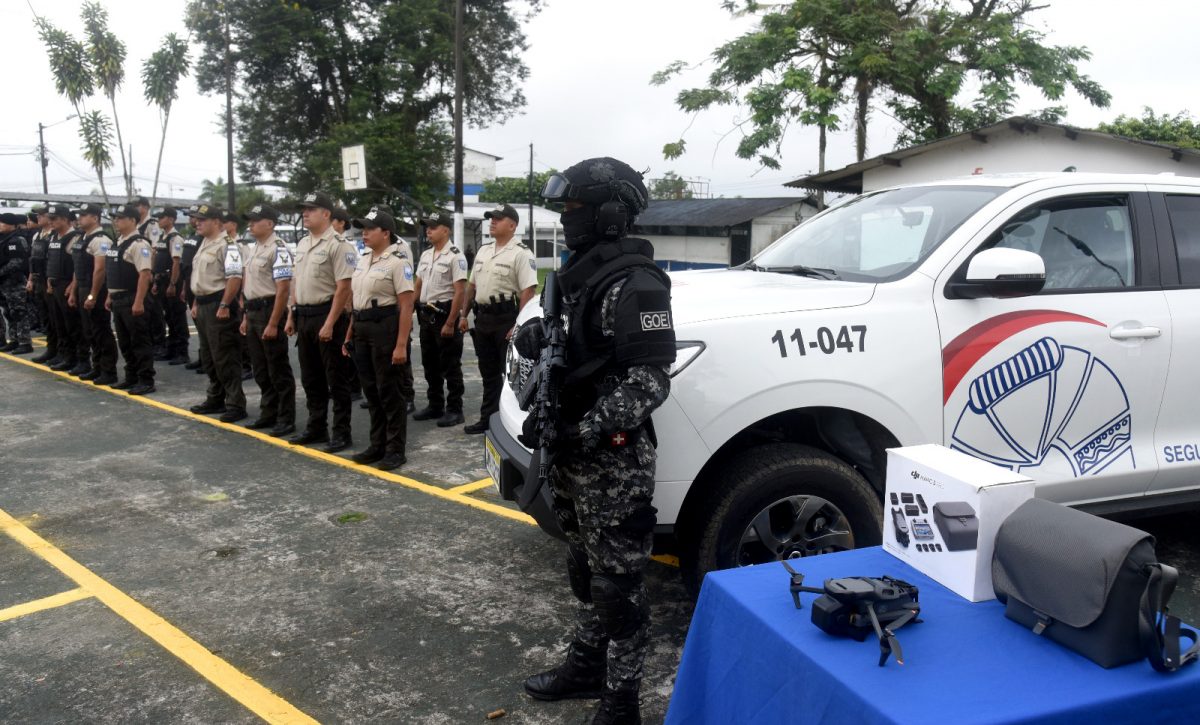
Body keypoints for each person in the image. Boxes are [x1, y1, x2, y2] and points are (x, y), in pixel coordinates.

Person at [517, 157, 675, 725]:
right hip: (571, 450)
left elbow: (651, 379)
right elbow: (577, 349)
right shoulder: (581, 274)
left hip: (611, 457)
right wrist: (540, 335)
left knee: (618, 586)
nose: (567, 221)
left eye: (576, 209)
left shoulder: (638, 283)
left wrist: (584, 430)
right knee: (585, 568)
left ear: (611, 214)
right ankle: (586, 665)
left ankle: (622, 698)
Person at [286, 191, 357, 452]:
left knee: (335, 379)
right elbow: (297, 281)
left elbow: (344, 288)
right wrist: (292, 313)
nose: (305, 213)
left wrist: (329, 323)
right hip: (304, 315)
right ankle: (316, 427)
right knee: (310, 377)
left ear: (326, 213)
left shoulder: (339, 245)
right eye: (304, 209)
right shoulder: (303, 243)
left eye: (311, 209)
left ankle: (341, 432)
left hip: (327, 316)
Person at [458, 202, 538, 434]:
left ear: (512, 225)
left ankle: (511, 422)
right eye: (491, 218)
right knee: (488, 374)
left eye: (498, 218)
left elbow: (528, 290)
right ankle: (488, 419)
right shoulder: (483, 250)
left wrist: (518, 325)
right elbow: (471, 286)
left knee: (511, 376)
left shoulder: (521, 253)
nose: (492, 221)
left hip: (505, 320)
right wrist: (464, 315)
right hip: (483, 319)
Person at [344, 208, 414, 470]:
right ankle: (378, 444)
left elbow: (406, 307)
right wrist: (350, 332)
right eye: (363, 228)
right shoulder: (363, 260)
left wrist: (400, 345)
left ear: (386, 233)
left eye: (370, 228)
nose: (364, 233)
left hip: (385, 327)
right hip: (362, 327)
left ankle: (395, 449)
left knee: (389, 391)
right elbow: (357, 302)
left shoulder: (398, 262)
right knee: (371, 390)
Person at [240, 203, 297, 437]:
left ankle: (286, 418)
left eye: (256, 220)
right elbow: (249, 286)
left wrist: (274, 323)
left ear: (270, 223)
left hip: (269, 310)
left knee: (277, 368)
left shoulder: (279, 248)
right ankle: (269, 412)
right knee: (260, 369)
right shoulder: (253, 248)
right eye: (250, 220)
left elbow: (282, 289)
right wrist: (245, 316)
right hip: (253, 311)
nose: (250, 224)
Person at [187, 203, 247, 422]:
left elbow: (234, 278)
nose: (197, 222)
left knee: (225, 356)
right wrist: (195, 302)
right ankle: (215, 397)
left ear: (216, 221)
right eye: (196, 219)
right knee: (209, 356)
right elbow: (199, 277)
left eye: (201, 220)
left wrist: (224, 304)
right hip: (203, 303)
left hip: (218, 305)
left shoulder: (228, 245)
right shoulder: (204, 243)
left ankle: (235, 403)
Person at [413, 210, 467, 427]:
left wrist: (451, 322)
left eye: (433, 226)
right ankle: (435, 405)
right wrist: (408, 310)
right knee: (430, 363)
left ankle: (455, 409)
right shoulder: (426, 255)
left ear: (446, 229)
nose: (428, 230)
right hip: (426, 314)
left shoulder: (455, 256)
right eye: (427, 226)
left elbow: (460, 291)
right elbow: (418, 285)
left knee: (450, 364)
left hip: (445, 313)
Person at [105, 204, 157, 395]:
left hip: (131, 299)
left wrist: (139, 301)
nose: (116, 221)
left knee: (139, 342)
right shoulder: (118, 242)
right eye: (115, 218)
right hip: (118, 299)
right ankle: (131, 376)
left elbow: (144, 275)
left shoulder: (139, 244)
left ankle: (146, 379)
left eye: (120, 218)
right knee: (125, 343)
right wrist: (110, 295)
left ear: (133, 221)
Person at [71, 204, 119, 384]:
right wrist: (74, 291)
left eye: (84, 215)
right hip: (84, 287)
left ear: (95, 218)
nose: (80, 218)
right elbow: (78, 267)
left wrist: (92, 296)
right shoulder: (84, 238)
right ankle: (97, 366)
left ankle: (108, 371)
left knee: (101, 330)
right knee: (89, 331)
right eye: (79, 215)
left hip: (96, 289)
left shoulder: (100, 240)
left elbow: (100, 270)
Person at [43, 205, 84, 372]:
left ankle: (79, 359)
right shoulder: (54, 237)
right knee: (58, 324)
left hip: (67, 285)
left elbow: (77, 266)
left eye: (55, 219)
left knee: (73, 325)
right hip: (54, 285)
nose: (51, 222)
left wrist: (73, 286)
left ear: (66, 220)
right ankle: (64, 355)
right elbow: (50, 261)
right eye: (50, 218)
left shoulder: (75, 238)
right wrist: (49, 281)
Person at [152, 207, 190, 365]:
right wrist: (155, 282)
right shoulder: (163, 237)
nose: (159, 220)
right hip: (161, 281)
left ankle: (182, 352)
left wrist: (173, 284)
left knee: (177, 317)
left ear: (171, 219)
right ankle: (172, 349)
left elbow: (176, 263)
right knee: (169, 317)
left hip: (171, 281)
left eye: (162, 217)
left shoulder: (175, 238)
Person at [0, 213, 32, 354]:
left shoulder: (17, 239)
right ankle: (14, 340)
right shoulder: (3, 239)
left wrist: (1, 272)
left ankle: (25, 342)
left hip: (14, 282)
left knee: (19, 312)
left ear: (10, 224)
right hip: (4, 283)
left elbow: (17, 262)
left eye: (2, 222)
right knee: (8, 312)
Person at [27, 207, 56, 363]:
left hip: (50, 281)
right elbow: (33, 259)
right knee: (46, 319)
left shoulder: (54, 236)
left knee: (56, 318)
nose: (38, 217)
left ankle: (62, 352)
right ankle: (51, 349)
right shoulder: (37, 235)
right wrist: (31, 279)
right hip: (39, 281)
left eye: (41, 215)